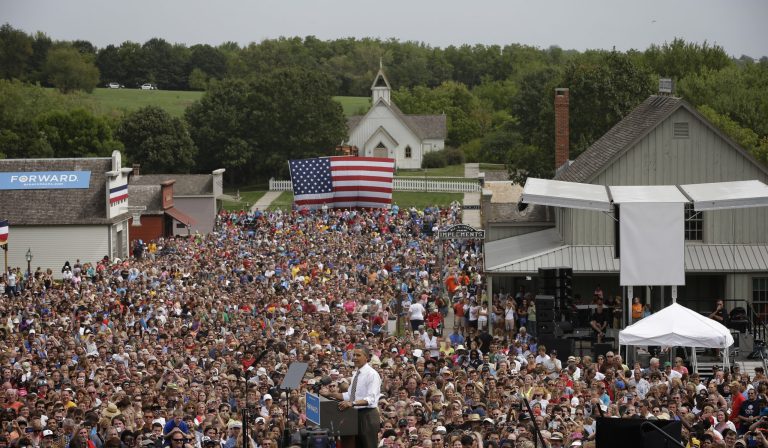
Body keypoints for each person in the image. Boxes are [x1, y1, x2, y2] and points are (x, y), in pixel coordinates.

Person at [320, 345, 381, 448]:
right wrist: (330, 394)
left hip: (367, 415)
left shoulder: (372, 374)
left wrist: (352, 403)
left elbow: (371, 399)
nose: (355, 358)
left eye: (358, 355)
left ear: (366, 357)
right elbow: (350, 395)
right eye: (354, 355)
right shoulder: (356, 374)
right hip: (355, 414)